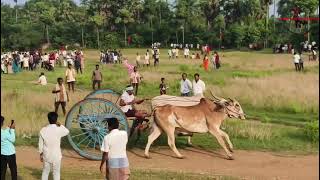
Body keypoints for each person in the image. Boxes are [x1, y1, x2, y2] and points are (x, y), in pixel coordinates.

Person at [39, 112, 70, 180]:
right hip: (56, 155)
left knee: (45, 172)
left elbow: (40, 144)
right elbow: (67, 131)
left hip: (46, 154)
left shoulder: (43, 130)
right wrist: (60, 125)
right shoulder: (59, 129)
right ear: (56, 120)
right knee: (56, 173)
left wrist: (41, 154)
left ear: (48, 119)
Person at [1, 116, 17, 180]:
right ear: (2, 123)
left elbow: (4, 135)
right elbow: (13, 139)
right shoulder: (4, 133)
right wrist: (12, 129)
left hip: (2, 154)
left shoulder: (4, 132)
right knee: (13, 171)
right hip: (10, 154)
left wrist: (8, 128)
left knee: (2, 171)